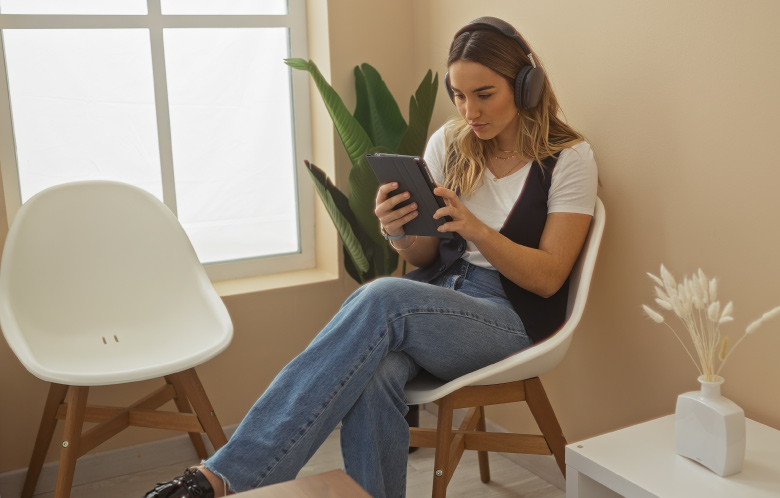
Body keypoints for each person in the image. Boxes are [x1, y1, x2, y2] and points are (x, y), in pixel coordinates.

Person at [142, 16, 598, 498]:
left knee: (381, 297)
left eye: (484, 94)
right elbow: (422, 252)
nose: (470, 111)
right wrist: (397, 230)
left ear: (527, 86)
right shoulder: (450, 143)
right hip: (439, 298)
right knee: (376, 374)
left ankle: (225, 477)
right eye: (459, 95)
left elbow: (549, 279)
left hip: (511, 318)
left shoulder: (569, 159)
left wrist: (476, 230)